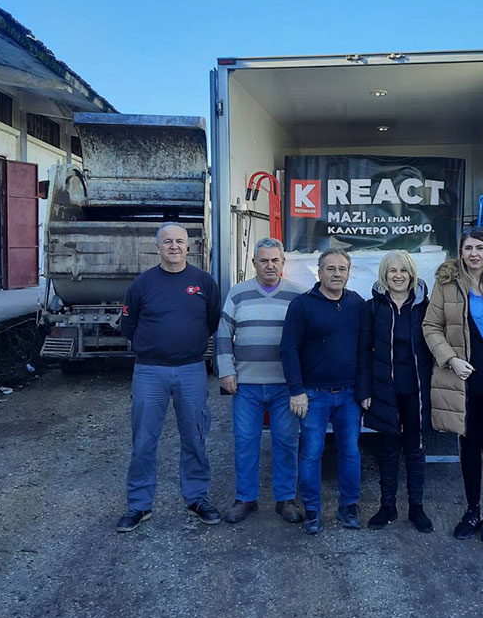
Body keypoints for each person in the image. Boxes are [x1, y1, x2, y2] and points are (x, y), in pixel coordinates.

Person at [117, 223, 222, 532]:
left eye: (179, 241)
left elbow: (212, 320)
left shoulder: (203, 283)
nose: (174, 246)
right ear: (158, 247)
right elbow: (128, 325)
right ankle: (139, 505)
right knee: (144, 440)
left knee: (195, 437)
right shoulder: (142, 284)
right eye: (167, 242)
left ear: (188, 247)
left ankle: (197, 498)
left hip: (191, 370)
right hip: (150, 371)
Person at [423, 230, 483, 544]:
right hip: (462, 380)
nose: (474, 254)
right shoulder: (447, 284)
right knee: (468, 445)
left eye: (480, 248)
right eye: (468, 248)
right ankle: (472, 510)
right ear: (461, 252)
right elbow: (431, 326)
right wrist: (450, 359)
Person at [217, 237, 305, 525]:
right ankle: (245, 498)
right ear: (254, 263)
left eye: (275, 260)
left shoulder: (297, 296)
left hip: (285, 386)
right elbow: (223, 334)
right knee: (245, 442)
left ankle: (285, 499)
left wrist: (301, 382)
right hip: (246, 385)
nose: (269, 265)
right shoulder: (238, 294)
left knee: (286, 442)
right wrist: (226, 371)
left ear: (283, 262)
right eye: (263, 260)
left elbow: (307, 339)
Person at [280, 248, 364, 535]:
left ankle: (348, 506)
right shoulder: (302, 305)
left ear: (349, 273)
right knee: (311, 454)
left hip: (350, 394)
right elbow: (288, 350)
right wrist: (296, 390)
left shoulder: (356, 303)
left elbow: (364, 349)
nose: (337, 274)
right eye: (331, 268)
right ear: (319, 272)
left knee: (350, 452)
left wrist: (364, 389)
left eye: (342, 269)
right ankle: (313, 510)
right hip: (313, 394)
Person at [357, 251, 434, 533]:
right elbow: (363, 352)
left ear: (412, 275)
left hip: (417, 391)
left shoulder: (425, 307)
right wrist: (364, 390)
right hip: (384, 390)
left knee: (415, 449)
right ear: (384, 275)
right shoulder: (372, 308)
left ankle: (416, 508)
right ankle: (387, 507)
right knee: (388, 450)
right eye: (392, 271)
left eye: (403, 270)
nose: (398, 276)